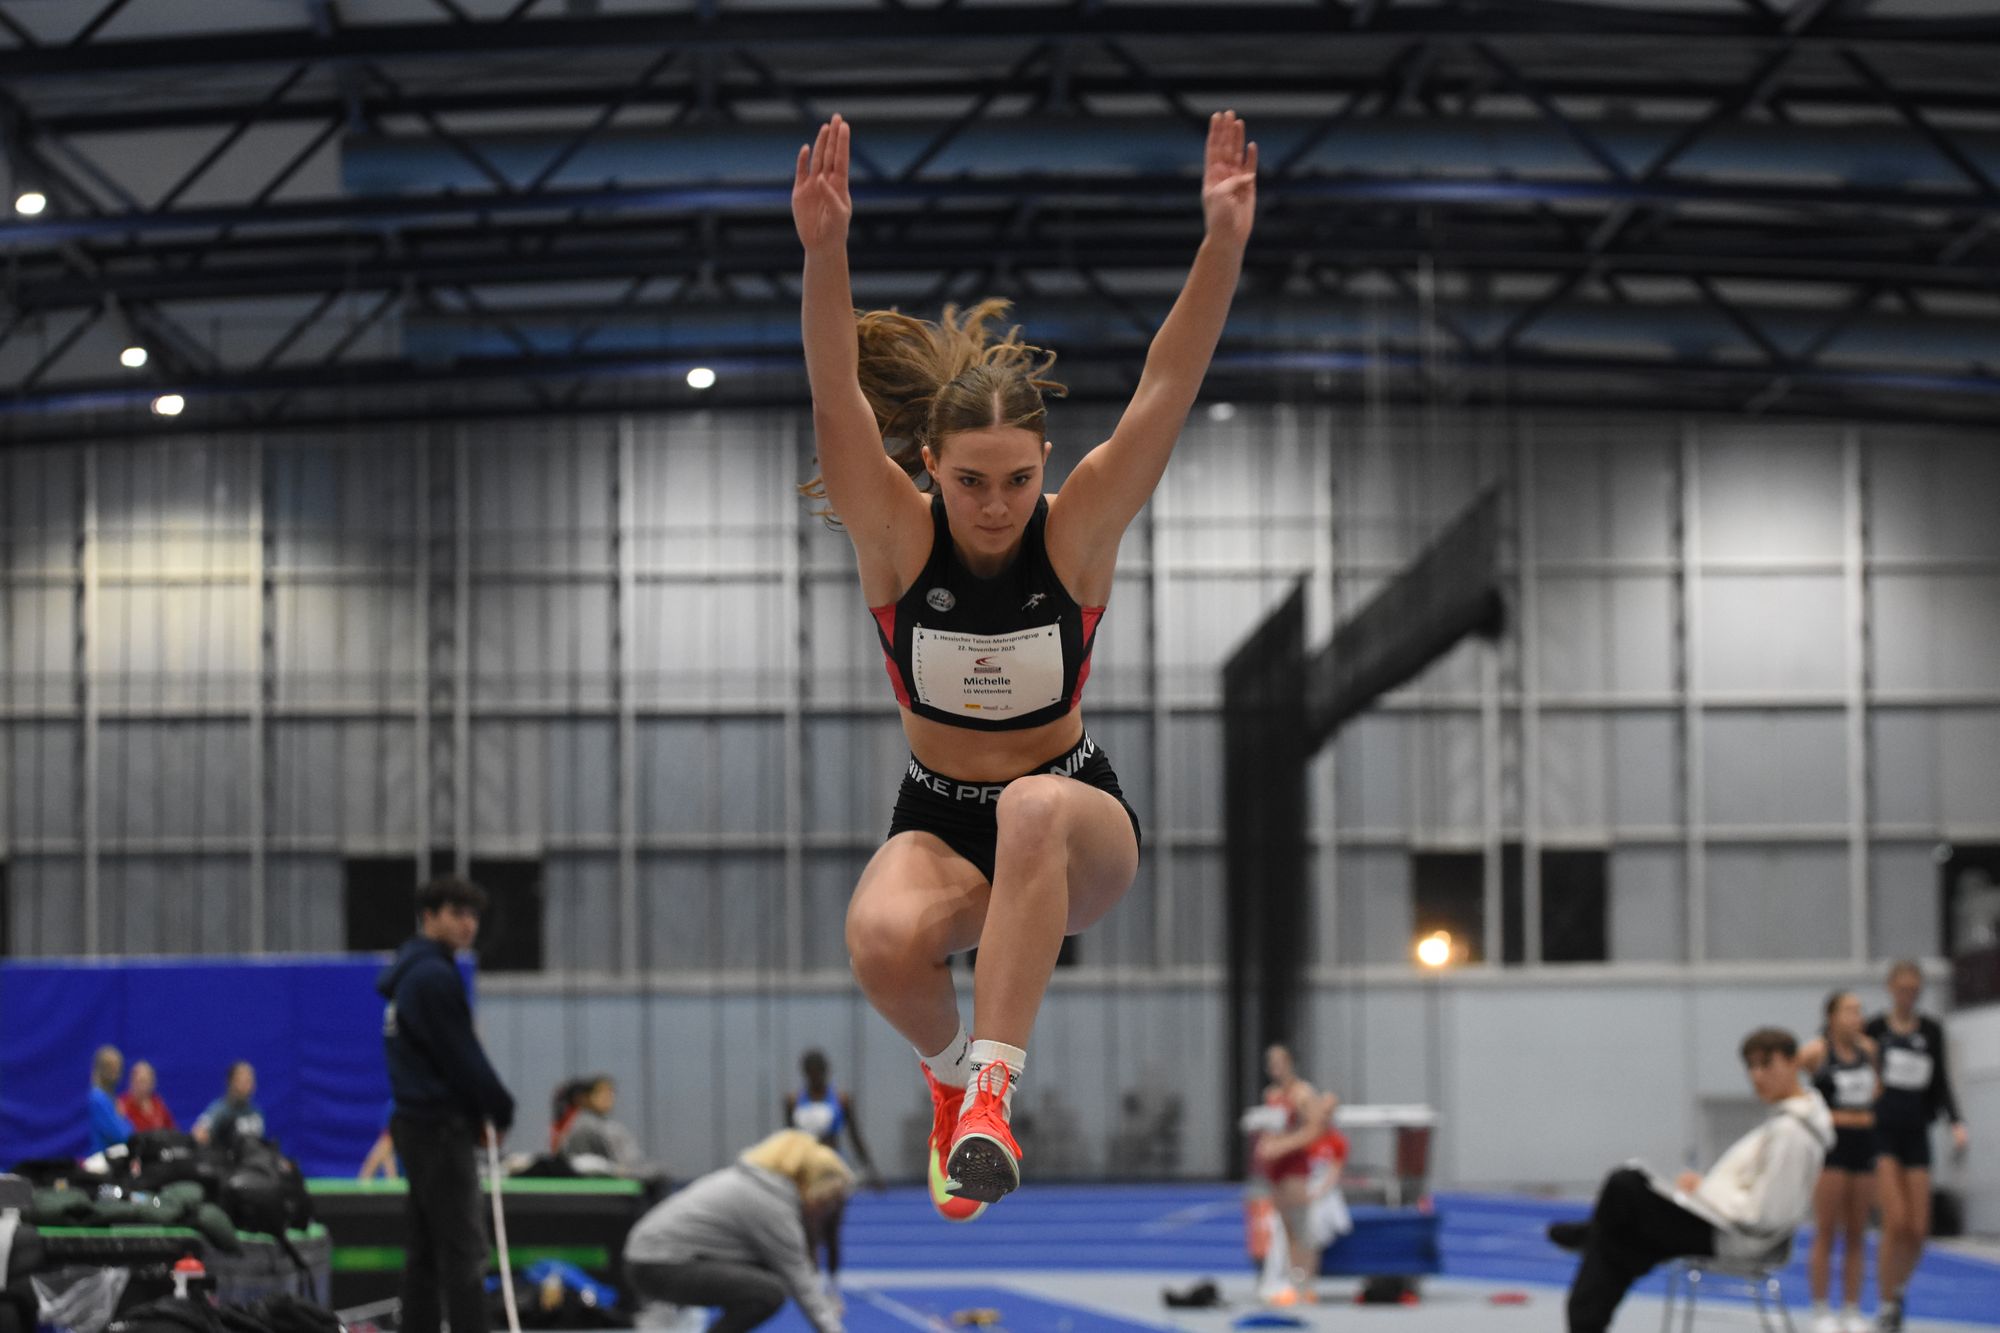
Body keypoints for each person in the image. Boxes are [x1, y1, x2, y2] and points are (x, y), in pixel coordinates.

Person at [791, 108, 1256, 1219]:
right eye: (969, 482)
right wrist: (824, 252)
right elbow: (833, 394)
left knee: (1031, 805)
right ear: (928, 465)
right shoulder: (896, 539)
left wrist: (1221, 245)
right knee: (880, 940)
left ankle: (993, 1100)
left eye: (1014, 479)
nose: (994, 506)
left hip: (1073, 816)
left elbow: (1166, 386)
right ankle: (952, 1081)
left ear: (1044, 461)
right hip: (938, 810)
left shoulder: (1077, 529)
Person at [1546, 1027, 1832, 1333]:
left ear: (1792, 1063)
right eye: (1751, 1067)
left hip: (1733, 1237)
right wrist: (1704, 1191)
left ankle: (1593, 1235)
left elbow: (1765, 1215)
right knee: (1621, 1240)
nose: (1757, 1076)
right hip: (1727, 1228)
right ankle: (1596, 1255)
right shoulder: (1788, 1123)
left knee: (1624, 1187)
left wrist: (1704, 1193)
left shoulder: (1791, 1133)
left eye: (1766, 1064)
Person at [379, 875, 517, 1333]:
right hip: (437, 1129)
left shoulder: (411, 976)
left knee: (424, 1251)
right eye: (457, 913)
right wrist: (499, 1107)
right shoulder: (433, 978)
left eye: (473, 915)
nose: (468, 924)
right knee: (463, 1250)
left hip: (416, 1125)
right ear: (429, 917)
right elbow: (461, 1056)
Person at [623, 1129, 850, 1333]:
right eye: (825, 1202)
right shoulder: (769, 1203)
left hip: (651, 1259)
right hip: (656, 1264)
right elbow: (800, 1280)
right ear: (806, 1181)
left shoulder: (753, 1183)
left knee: (765, 1276)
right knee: (768, 1293)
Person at [1866, 960, 1971, 1332]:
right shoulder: (1875, 1030)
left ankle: (1898, 1291)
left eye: (1914, 990)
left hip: (1916, 1133)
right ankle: (1884, 1303)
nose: (1908, 996)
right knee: (1895, 1221)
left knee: (1918, 1228)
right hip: (1883, 1132)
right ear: (1891, 989)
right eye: (1902, 989)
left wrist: (1956, 1122)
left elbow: (1940, 1081)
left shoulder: (1931, 1031)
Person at [1799, 991, 1879, 1333]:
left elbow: (1877, 1093)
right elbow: (1794, 1087)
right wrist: (1826, 1116)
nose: (1856, 1017)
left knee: (1857, 1232)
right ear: (1831, 1016)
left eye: (1859, 1011)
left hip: (1864, 1145)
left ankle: (1851, 1309)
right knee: (1827, 1229)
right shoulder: (1816, 1052)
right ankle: (1820, 1309)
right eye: (1849, 1011)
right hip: (1832, 1148)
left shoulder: (1869, 1051)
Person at [1245, 1045, 1334, 1305]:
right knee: (1286, 1228)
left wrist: (1285, 1145)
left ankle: (1306, 1282)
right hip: (1276, 1166)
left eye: (1280, 1063)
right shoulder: (1271, 1094)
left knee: (1301, 1224)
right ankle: (1292, 1280)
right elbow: (1271, 1129)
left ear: (1290, 1063)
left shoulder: (1303, 1093)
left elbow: (1316, 1129)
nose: (1276, 1068)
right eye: (1271, 1064)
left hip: (1295, 1165)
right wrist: (1264, 1144)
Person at [784, 1050, 881, 1283]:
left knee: (832, 1230)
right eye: (811, 1073)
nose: (815, 1077)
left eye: (819, 1072)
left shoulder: (841, 1100)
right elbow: (788, 1140)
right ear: (804, 1073)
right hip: (806, 1172)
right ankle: (813, 1283)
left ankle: (834, 1286)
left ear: (826, 1072)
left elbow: (855, 1137)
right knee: (809, 1230)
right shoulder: (793, 1101)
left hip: (832, 1171)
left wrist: (871, 1170)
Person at [191, 1062, 265, 1153]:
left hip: (254, 1159)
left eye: (251, 1080)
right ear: (232, 1082)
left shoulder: (256, 1112)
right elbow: (198, 1133)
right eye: (245, 1080)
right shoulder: (219, 1109)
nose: (250, 1084)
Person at [86, 1045, 131, 1156]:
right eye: (111, 1068)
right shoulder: (97, 1098)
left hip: (117, 1157)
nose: (116, 1073)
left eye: (118, 1068)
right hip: (103, 1158)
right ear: (102, 1069)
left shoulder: (112, 1098)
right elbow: (119, 1135)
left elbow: (128, 1130)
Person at [117, 1060, 176, 1136]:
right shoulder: (122, 1105)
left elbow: (172, 1131)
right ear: (131, 1082)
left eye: (146, 1081)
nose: (143, 1086)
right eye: (140, 1081)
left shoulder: (158, 1104)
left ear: (153, 1083)